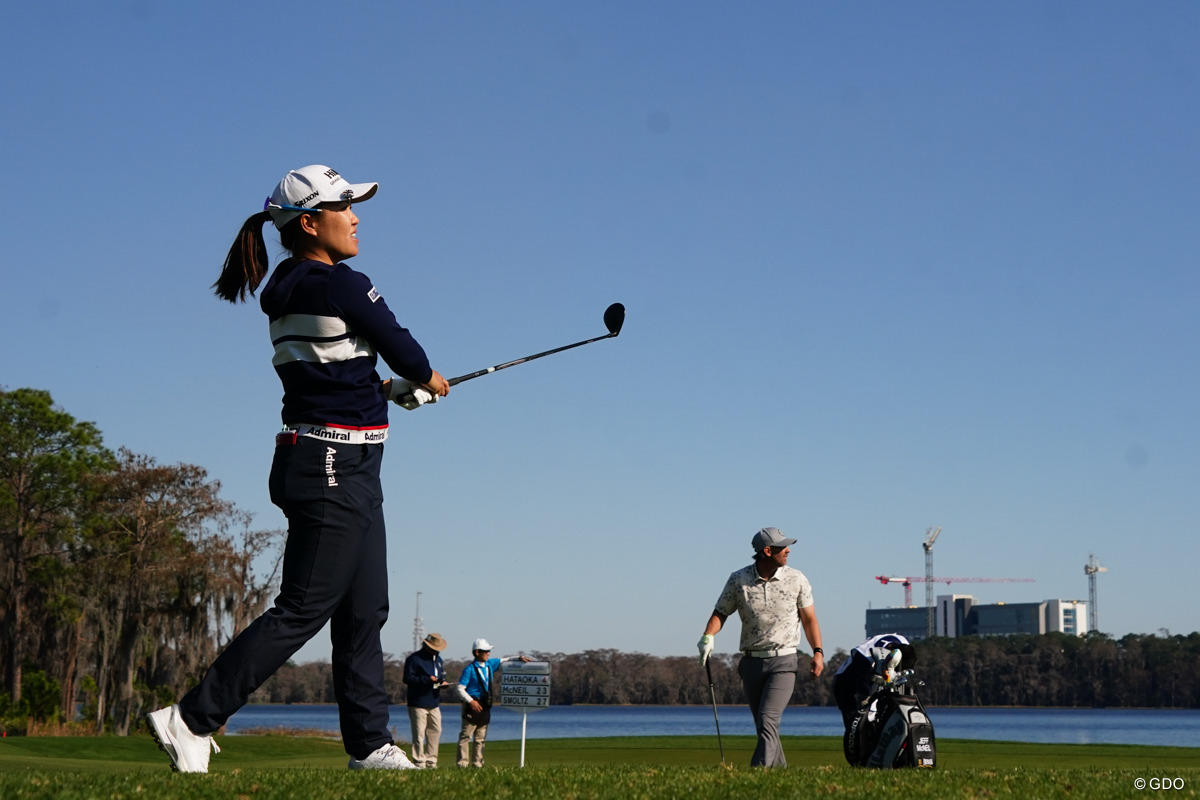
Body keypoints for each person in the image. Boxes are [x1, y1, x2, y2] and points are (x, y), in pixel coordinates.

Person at [146, 164, 450, 773]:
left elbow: (333, 370)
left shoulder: (292, 286)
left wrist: (388, 391)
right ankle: (192, 718)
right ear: (310, 223)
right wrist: (423, 379)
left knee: (366, 608)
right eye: (345, 207)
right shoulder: (338, 283)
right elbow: (409, 351)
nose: (357, 217)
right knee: (305, 605)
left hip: (337, 455)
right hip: (334, 460)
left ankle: (369, 746)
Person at [697, 526, 825, 768]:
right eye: (782, 547)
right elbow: (721, 612)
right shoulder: (739, 579)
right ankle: (780, 775)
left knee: (768, 719)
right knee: (765, 726)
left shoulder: (797, 578)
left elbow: (809, 619)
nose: (788, 550)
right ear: (767, 551)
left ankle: (756, 775)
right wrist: (707, 636)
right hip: (751, 663)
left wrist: (818, 652)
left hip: (784, 661)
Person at [453, 638, 531, 767]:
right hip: (472, 704)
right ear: (477, 652)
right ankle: (462, 765)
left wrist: (519, 658)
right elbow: (460, 689)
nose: (488, 653)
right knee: (466, 736)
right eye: (486, 651)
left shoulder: (490, 664)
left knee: (480, 738)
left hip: (484, 704)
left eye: (489, 651)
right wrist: (471, 701)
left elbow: (505, 660)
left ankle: (477, 764)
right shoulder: (469, 669)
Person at [832, 633, 915, 733]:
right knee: (856, 725)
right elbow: (863, 690)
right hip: (845, 683)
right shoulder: (865, 655)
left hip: (871, 677)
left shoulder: (904, 644)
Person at [403, 632, 448, 768]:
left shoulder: (438, 660)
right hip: (418, 703)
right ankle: (419, 762)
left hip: (434, 702)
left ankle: (431, 761)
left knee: (436, 730)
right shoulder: (414, 659)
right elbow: (407, 679)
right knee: (419, 734)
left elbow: (439, 677)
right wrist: (426, 680)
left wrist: (442, 683)